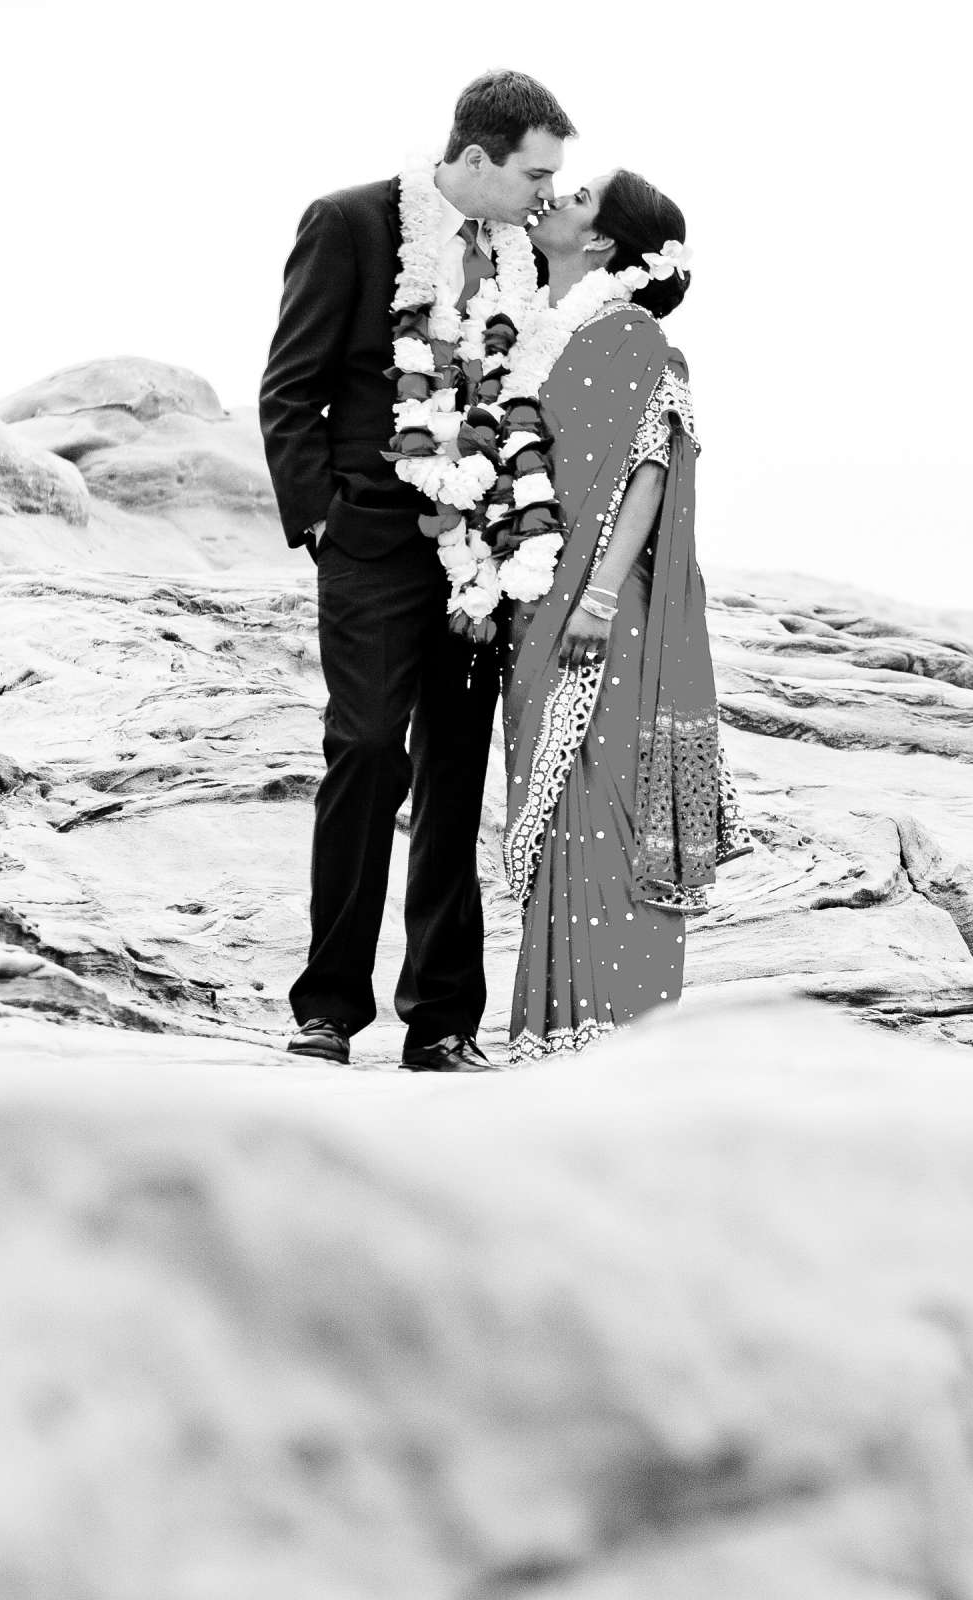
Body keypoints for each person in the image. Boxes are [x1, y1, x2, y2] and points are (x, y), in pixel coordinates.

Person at [260, 70, 574, 1071]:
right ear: (474, 159)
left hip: (484, 551)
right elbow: (290, 387)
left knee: (454, 775)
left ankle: (442, 1021)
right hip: (373, 544)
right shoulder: (351, 224)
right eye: (534, 172)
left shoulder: (526, 260)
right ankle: (328, 1009)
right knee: (363, 751)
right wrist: (323, 523)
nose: (546, 192)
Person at [497, 169, 744, 1059]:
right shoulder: (534, 333)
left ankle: (616, 1031)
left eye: (579, 196)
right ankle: (554, 1027)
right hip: (532, 603)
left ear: (602, 242)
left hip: (605, 606)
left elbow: (651, 462)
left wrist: (598, 595)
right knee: (556, 803)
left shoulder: (631, 334)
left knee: (603, 797)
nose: (556, 198)